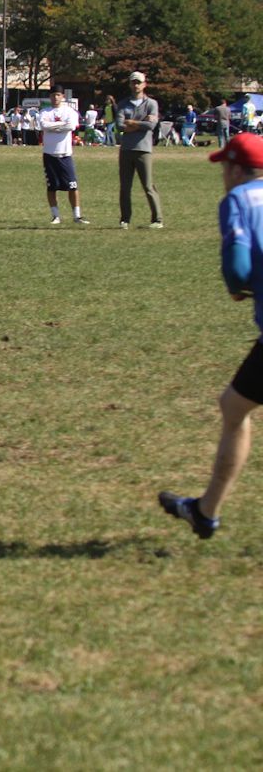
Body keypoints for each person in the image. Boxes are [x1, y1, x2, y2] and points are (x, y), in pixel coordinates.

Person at [158, 132, 263, 539]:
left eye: (224, 168)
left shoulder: (238, 200)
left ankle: (206, 512)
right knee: (234, 405)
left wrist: (239, 287)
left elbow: (237, 267)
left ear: (235, 169)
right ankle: (204, 511)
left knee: (234, 409)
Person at [116, 71, 164, 229]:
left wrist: (132, 123)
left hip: (144, 150)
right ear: (130, 84)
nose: (136, 85)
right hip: (126, 149)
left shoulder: (151, 103)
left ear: (144, 84)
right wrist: (140, 123)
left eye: (139, 82)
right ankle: (125, 219)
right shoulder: (123, 104)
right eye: (133, 82)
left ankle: (157, 219)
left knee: (148, 186)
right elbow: (120, 125)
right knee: (125, 187)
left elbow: (151, 125)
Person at [39, 87, 89, 226]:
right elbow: (43, 125)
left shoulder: (69, 111)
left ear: (62, 96)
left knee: (72, 186)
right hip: (49, 154)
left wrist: (53, 126)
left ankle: (77, 216)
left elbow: (71, 126)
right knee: (52, 187)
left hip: (65, 154)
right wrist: (61, 125)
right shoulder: (45, 112)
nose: (55, 98)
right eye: (53, 95)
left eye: (58, 95)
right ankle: (55, 216)